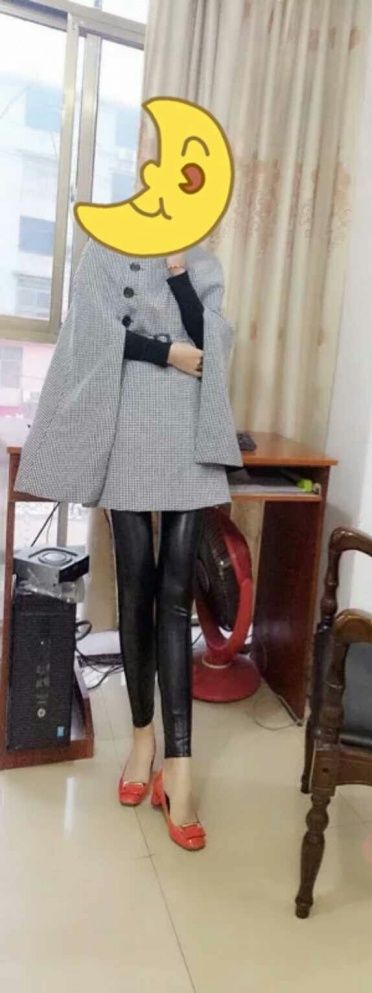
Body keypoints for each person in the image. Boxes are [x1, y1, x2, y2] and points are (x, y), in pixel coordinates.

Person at [15, 239, 243, 851]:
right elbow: (89, 337)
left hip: (188, 433)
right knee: (136, 590)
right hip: (126, 425)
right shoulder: (105, 249)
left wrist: (179, 277)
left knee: (176, 597)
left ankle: (180, 768)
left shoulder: (201, 256)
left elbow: (213, 344)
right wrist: (166, 352)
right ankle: (143, 741)